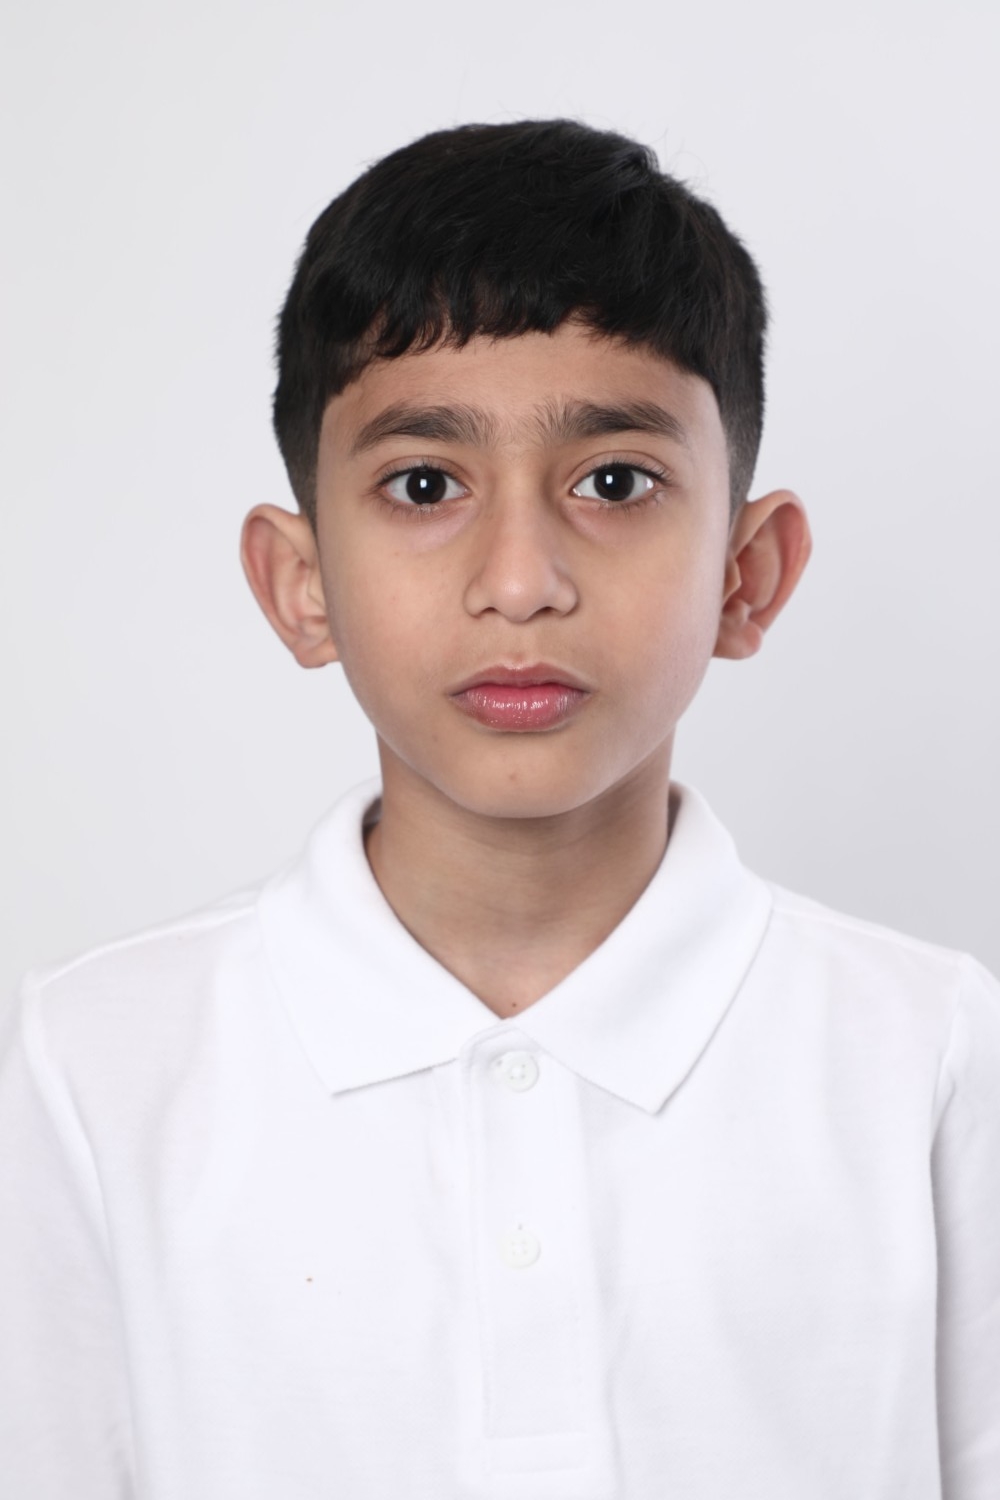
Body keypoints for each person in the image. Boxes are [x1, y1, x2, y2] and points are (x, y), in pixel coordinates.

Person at [0, 119, 996, 1500]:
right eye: (424, 485)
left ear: (747, 574)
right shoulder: (93, 1062)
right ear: (301, 585)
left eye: (614, 482)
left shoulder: (935, 1051)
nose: (520, 581)